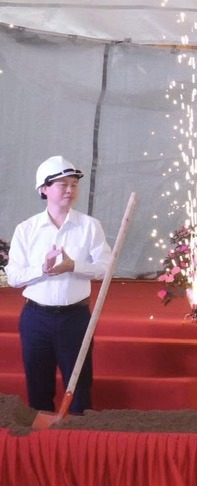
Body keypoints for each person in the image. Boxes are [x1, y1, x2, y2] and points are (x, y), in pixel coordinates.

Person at [4, 156, 110, 413]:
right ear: (44, 189)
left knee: (80, 386)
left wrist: (74, 266)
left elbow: (106, 268)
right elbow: (14, 276)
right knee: (38, 386)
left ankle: (80, 434)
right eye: (63, 185)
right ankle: (42, 435)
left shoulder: (90, 226)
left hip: (75, 318)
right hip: (36, 318)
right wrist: (42, 269)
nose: (70, 190)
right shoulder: (26, 229)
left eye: (74, 184)